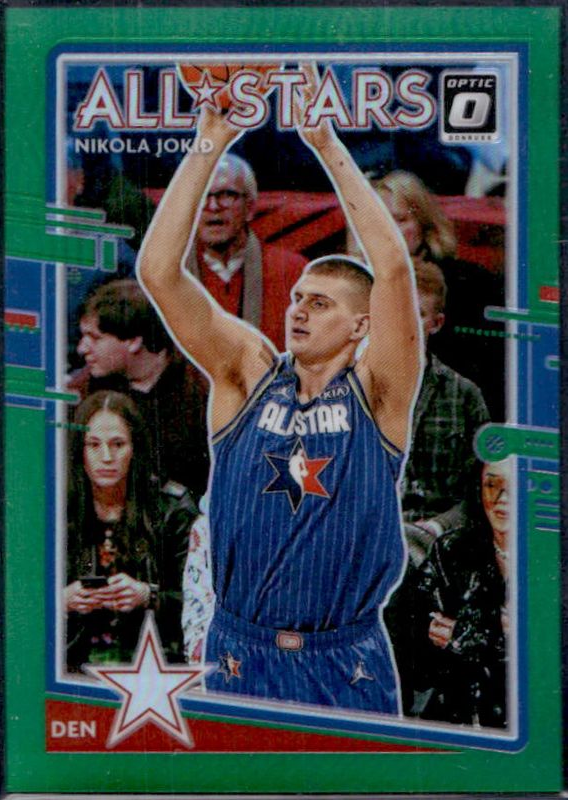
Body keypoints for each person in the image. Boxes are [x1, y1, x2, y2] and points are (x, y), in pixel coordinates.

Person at [137, 63, 423, 713]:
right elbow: (158, 272)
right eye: (296, 298)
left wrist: (324, 143)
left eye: (319, 303)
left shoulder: (378, 393)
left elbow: (392, 271)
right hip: (240, 649)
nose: (297, 310)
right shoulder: (247, 371)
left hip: (345, 656)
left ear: (361, 324)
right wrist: (210, 138)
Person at [64, 391, 198, 671]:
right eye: (93, 444)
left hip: (153, 663)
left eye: (118, 444)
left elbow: (201, 600)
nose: (106, 457)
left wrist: (148, 595)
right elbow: (17, 595)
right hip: (71, 663)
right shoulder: (54, 505)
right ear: (79, 450)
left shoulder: (172, 508)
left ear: (134, 447)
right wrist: (60, 601)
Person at [371, 170, 505, 420]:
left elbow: (491, 370)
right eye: (378, 221)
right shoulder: (351, 283)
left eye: (400, 219)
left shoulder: (470, 282)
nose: (389, 231)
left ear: (422, 223)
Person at [67, 278, 210, 498]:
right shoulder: (82, 393)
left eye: (95, 338)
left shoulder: (201, 394)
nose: (82, 348)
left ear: (134, 341)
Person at [408, 459, 510, 728]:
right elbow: (419, 654)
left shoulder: (553, 562)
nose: (502, 498)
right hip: (456, 717)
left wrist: (468, 636)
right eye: (492, 484)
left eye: (516, 486)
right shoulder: (450, 551)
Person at [401, 260, 490, 563]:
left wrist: (435, 529)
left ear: (436, 323)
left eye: (417, 314)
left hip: (442, 545)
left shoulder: (464, 395)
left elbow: (483, 491)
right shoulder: (349, 390)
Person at [185, 153, 308, 351]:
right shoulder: (171, 271)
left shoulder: (292, 271)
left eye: (227, 195)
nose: (213, 206)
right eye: (201, 195)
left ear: (249, 208)